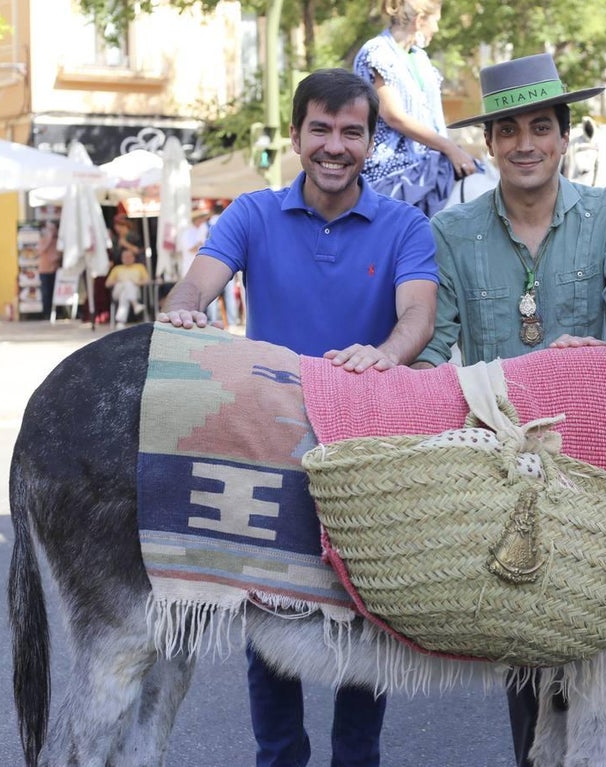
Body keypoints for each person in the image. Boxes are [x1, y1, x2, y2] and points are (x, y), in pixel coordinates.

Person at [158, 68, 439, 767]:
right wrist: (186, 307)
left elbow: (418, 315)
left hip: (364, 446)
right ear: (296, 135)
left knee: (367, 616)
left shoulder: (406, 225)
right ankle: (278, 758)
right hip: (266, 445)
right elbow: (198, 281)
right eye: (321, 128)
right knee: (269, 615)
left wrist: (384, 355)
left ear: (371, 143)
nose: (335, 146)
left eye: (352, 132)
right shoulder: (252, 214)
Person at [414, 53, 606, 766]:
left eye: (540, 127)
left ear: (564, 136)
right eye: (508, 129)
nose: (524, 143)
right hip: (506, 474)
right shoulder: (452, 233)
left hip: (601, 472)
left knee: (604, 674)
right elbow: (433, 353)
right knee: (527, 670)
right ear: (489, 143)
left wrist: (599, 353)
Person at [354, 0, 479, 217]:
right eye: (436, 21)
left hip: (432, 161)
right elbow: (394, 117)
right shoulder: (377, 52)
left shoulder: (420, 58)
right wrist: (449, 148)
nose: (437, 29)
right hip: (392, 169)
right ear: (420, 20)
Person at [105, 246, 150, 326]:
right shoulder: (117, 268)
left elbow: (147, 280)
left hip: (135, 291)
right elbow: (107, 284)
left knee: (124, 293)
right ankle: (135, 305)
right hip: (117, 290)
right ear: (122, 258)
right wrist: (119, 281)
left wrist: (138, 282)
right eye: (125, 257)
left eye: (129, 256)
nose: (127, 258)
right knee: (126, 284)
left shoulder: (140, 267)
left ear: (133, 257)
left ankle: (120, 321)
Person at [37, 220, 62, 318]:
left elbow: (59, 254)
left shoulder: (57, 241)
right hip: (44, 270)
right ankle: (46, 313)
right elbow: (40, 251)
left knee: (55, 293)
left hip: (55, 269)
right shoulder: (43, 240)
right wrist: (49, 239)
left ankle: (56, 313)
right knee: (46, 292)